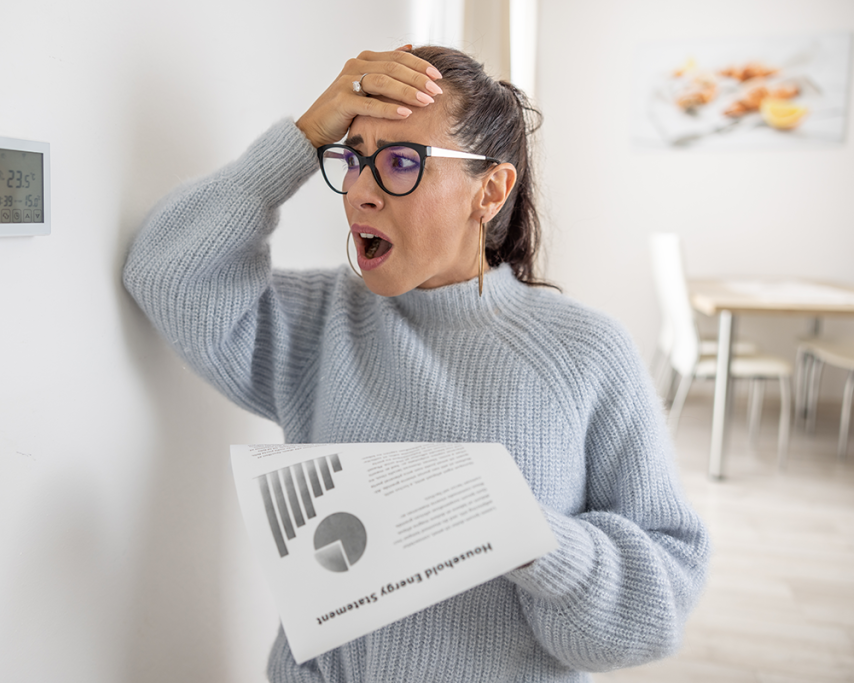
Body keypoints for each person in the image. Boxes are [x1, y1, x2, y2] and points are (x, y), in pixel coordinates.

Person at [123, 45, 710, 683]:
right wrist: (302, 139)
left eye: (402, 162)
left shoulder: (586, 355)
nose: (361, 195)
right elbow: (165, 273)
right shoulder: (319, 324)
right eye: (352, 160)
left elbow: (658, 611)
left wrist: (530, 536)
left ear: (489, 190)